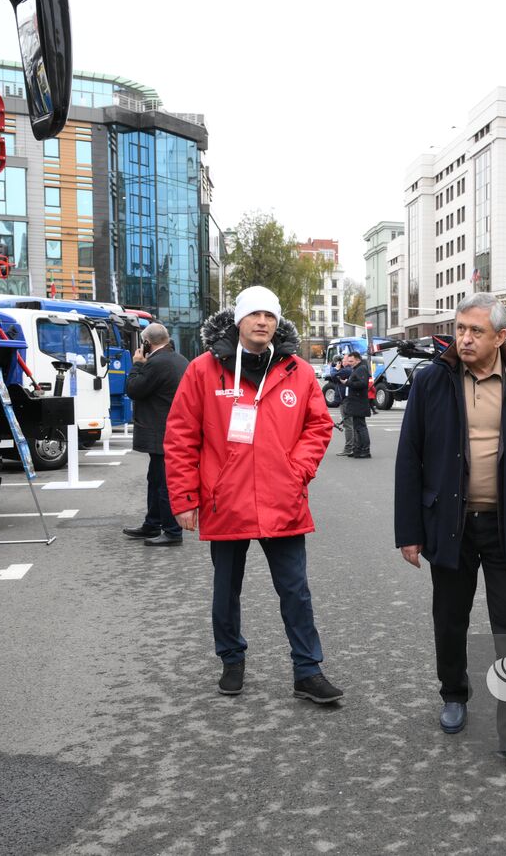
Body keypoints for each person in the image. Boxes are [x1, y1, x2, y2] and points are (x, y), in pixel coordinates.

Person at [394, 293, 506, 778]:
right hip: (449, 525)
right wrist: (409, 531)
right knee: (450, 619)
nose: (464, 339)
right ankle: (454, 693)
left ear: (500, 337)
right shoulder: (432, 381)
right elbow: (410, 459)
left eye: (475, 331)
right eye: (460, 329)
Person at [165, 286, 344, 705]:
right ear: (238, 320)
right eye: (254, 314)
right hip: (225, 500)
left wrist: (296, 472)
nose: (263, 321)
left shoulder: (297, 371)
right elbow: (181, 435)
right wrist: (185, 498)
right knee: (226, 589)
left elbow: (318, 427)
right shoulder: (204, 370)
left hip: (283, 500)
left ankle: (307, 670)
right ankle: (231, 659)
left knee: (296, 590)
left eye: (270, 314)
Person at [122, 323, 190, 547]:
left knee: (163, 483)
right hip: (172, 431)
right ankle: (152, 523)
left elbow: (134, 389)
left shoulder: (157, 363)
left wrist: (137, 366)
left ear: (146, 343)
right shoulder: (179, 359)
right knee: (156, 480)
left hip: (162, 432)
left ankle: (172, 531)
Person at [342, 351, 372, 459]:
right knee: (357, 427)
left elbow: (362, 384)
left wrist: (347, 383)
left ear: (358, 360)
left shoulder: (361, 368)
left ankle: (365, 450)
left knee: (361, 427)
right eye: (349, 361)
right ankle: (358, 449)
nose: (350, 363)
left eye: (351, 361)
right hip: (356, 402)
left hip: (359, 403)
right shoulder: (357, 368)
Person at [329, 354, 354, 456]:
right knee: (350, 424)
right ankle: (353, 447)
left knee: (348, 425)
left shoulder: (346, 370)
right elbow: (334, 378)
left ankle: (349, 448)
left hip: (346, 400)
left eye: (343, 360)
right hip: (344, 400)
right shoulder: (345, 370)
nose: (342, 362)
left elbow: (333, 375)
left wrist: (334, 368)